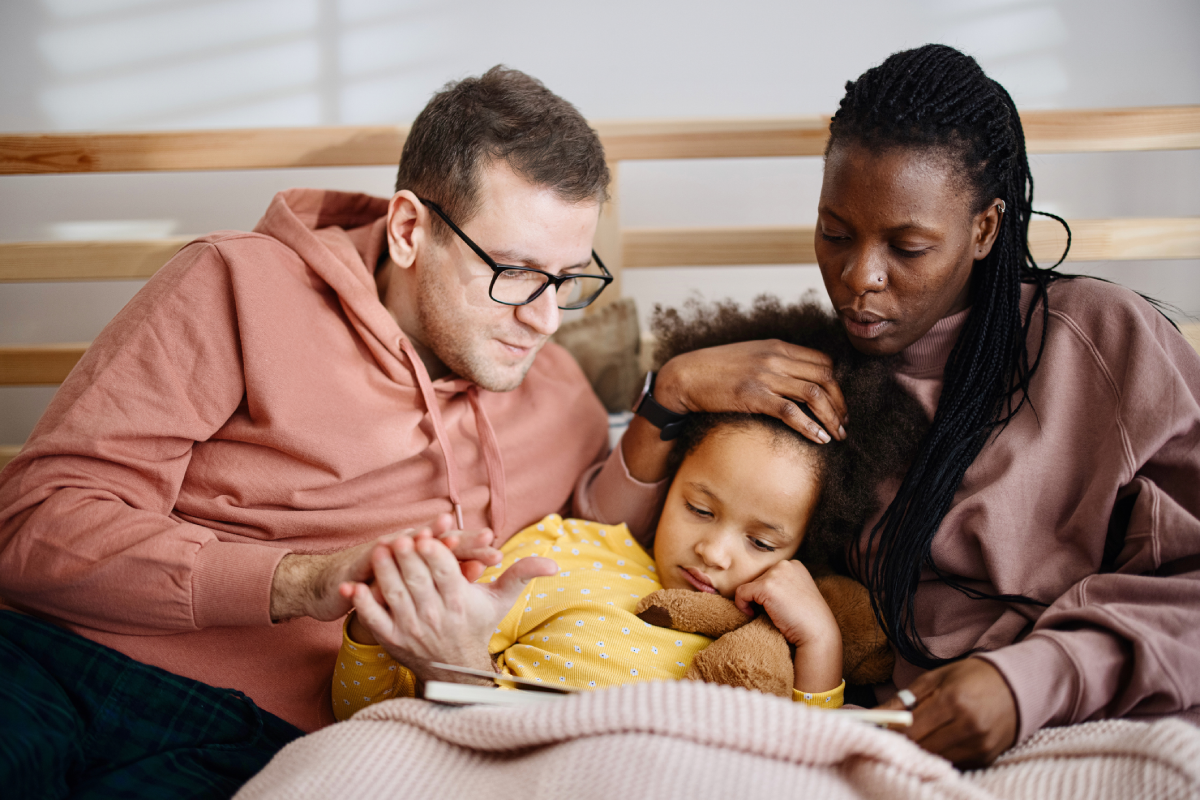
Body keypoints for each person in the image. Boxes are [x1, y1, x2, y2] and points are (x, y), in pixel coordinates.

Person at [579, 45, 1200, 769]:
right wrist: (672, 391)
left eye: (907, 247)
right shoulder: (799, 373)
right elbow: (598, 548)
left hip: (1082, 723)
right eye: (835, 234)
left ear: (985, 229)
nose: (858, 279)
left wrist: (1028, 680)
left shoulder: (1102, 343)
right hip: (861, 737)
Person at [0, 66, 615, 794]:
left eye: (569, 278)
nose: (544, 319)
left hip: (263, 754)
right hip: (57, 664)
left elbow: (627, 545)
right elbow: (31, 529)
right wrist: (300, 581)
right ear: (411, 230)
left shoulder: (561, 397)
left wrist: (675, 396)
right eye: (512, 272)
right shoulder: (236, 283)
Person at [331, 298, 928, 719]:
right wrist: (374, 628)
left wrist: (820, 642)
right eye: (699, 508)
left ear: (805, 547)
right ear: (670, 481)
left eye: (763, 543)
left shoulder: (780, 632)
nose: (715, 552)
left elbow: (811, 764)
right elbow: (375, 714)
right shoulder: (565, 553)